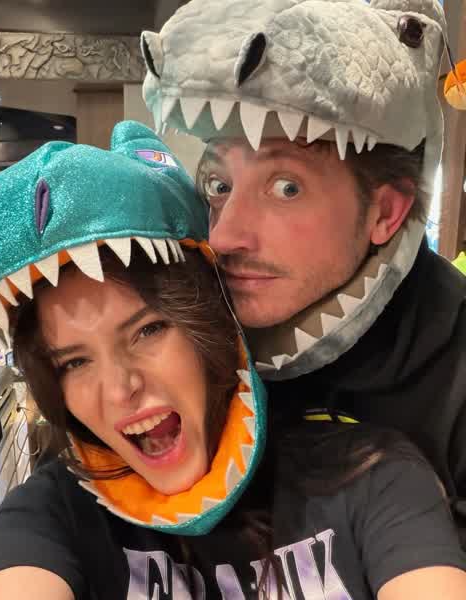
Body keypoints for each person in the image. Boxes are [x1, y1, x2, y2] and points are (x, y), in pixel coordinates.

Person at [0, 121, 466, 600]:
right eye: (74, 362)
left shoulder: (372, 476)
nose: (118, 389)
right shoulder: (53, 513)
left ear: (211, 326)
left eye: (148, 331)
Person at [141, 0, 466, 540]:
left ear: (386, 212)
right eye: (219, 186)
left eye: (286, 188)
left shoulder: (455, 372)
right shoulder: (186, 327)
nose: (224, 238)